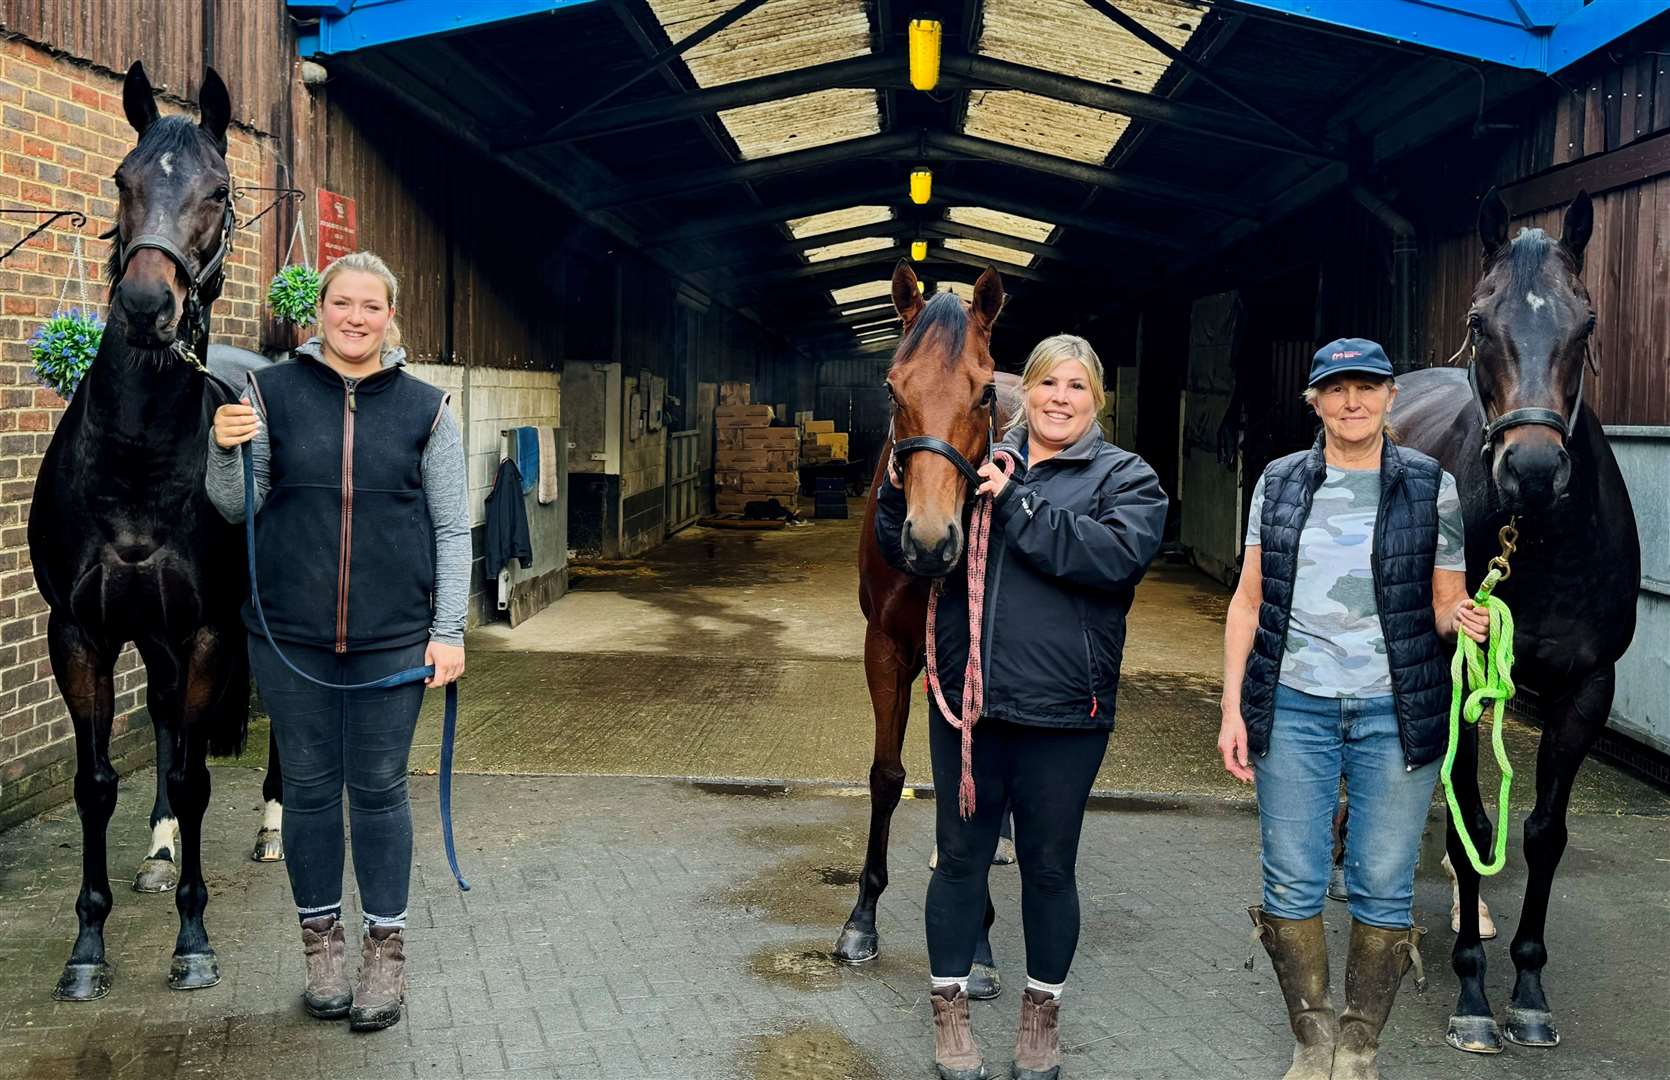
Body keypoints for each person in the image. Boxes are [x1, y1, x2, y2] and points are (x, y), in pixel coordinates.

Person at [876, 335, 1168, 1080]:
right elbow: (903, 549)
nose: (1060, 398)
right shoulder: (974, 462)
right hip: (967, 707)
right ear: (1023, 394)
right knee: (959, 862)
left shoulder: (1127, 479)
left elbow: (1109, 559)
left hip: (1067, 712)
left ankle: (1041, 1015)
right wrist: (901, 476)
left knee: (1047, 868)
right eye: (1046, 385)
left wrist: (1015, 505)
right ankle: (950, 1015)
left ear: (1095, 399)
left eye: (1075, 386)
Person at [206, 251, 469, 1031]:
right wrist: (225, 448)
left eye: (372, 306)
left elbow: (453, 528)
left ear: (392, 318)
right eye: (342, 303)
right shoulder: (269, 393)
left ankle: (384, 955)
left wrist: (447, 631)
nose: (356, 318)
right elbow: (232, 508)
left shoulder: (429, 409)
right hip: (289, 638)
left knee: (381, 792)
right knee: (311, 794)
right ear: (318, 310)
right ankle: (321, 948)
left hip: (395, 639)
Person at [1217, 337, 1488, 1080]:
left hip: (1393, 713)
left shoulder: (1433, 485)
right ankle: (1312, 1043)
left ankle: (1360, 1046)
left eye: (1367, 387)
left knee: (1383, 881)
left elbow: (1443, 602)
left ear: (1391, 396)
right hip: (1294, 707)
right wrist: (1232, 707)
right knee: (1292, 880)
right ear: (1315, 401)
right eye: (1336, 389)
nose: (1353, 401)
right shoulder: (1277, 482)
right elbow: (1248, 603)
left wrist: (1467, 620)